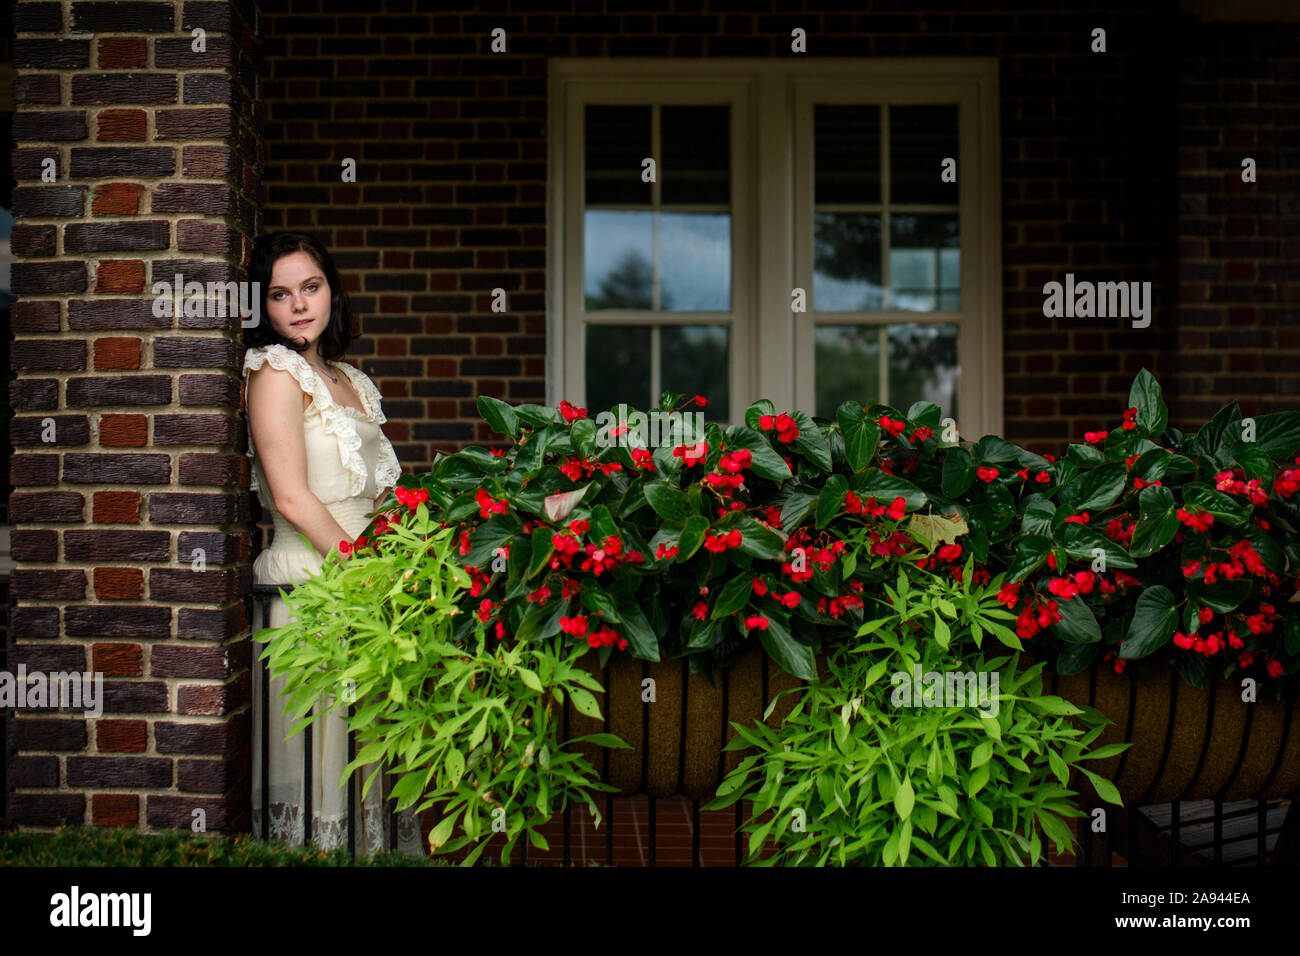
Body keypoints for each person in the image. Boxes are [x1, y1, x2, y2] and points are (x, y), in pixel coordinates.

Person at [243, 231, 420, 855]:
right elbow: (292, 497)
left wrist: (400, 562)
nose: (298, 305)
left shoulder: (350, 379)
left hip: (364, 581)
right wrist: (360, 571)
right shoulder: (272, 372)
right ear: (260, 307)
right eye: (279, 294)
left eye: (310, 287)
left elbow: (377, 493)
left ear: (331, 292)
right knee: (320, 753)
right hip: (309, 577)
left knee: (363, 752)